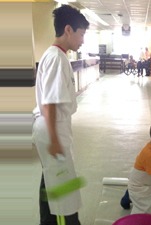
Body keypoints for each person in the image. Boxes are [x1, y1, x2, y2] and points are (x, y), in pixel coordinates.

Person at [32, 5, 89, 225]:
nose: (82, 40)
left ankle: (46, 220)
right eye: (81, 34)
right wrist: (55, 141)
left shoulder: (54, 55)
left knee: (52, 183)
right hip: (51, 128)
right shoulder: (56, 58)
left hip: (51, 127)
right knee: (65, 194)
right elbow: (50, 103)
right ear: (68, 30)